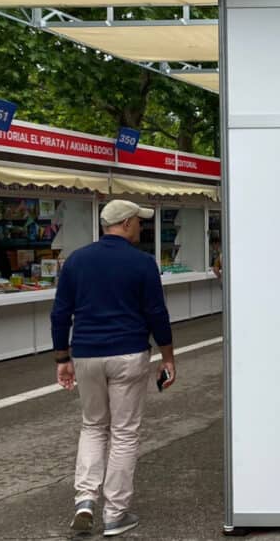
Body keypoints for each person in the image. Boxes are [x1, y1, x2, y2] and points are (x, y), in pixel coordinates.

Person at [50, 200, 174, 537]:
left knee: (92, 426)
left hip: (87, 354)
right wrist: (168, 356)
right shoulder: (142, 263)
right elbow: (156, 313)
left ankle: (85, 500)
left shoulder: (76, 260)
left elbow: (60, 313)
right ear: (128, 223)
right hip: (128, 354)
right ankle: (116, 513)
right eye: (139, 222)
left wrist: (63, 358)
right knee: (123, 433)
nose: (141, 227)